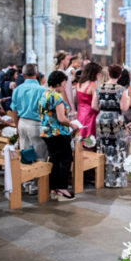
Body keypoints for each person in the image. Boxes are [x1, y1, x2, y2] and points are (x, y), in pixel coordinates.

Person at [39, 70, 80, 201]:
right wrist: (72, 124)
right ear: (59, 82)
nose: (64, 85)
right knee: (65, 160)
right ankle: (61, 189)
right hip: (57, 133)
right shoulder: (56, 96)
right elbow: (61, 118)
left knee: (54, 160)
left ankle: (53, 188)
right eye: (64, 83)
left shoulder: (44, 94)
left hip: (46, 132)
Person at [10, 64, 48, 193]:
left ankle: (26, 183)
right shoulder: (41, 89)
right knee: (39, 154)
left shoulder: (18, 89)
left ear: (23, 74)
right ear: (36, 74)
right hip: (36, 123)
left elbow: (13, 110)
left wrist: (17, 126)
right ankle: (36, 186)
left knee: (25, 153)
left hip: (22, 122)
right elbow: (46, 110)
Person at [92, 64, 130, 188]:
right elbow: (123, 108)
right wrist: (128, 101)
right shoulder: (121, 89)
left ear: (108, 74)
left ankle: (102, 178)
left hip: (102, 118)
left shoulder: (99, 87)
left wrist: (104, 110)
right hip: (115, 119)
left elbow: (94, 106)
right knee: (117, 148)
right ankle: (116, 181)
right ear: (119, 75)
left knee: (103, 147)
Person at [76, 62, 102, 139]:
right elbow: (94, 105)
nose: (100, 75)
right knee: (90, 139)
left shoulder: (79, 84)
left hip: (80, 113)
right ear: (94, 73)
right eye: (99, 73)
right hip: (90, 115)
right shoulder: (93, 85)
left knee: (81, 138)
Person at [65, 56, 81, 120]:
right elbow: (77, 78)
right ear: (73, 62)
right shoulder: (72, 70)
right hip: (72, 89)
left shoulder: (67, 69)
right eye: (78, 63)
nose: (79, 65)